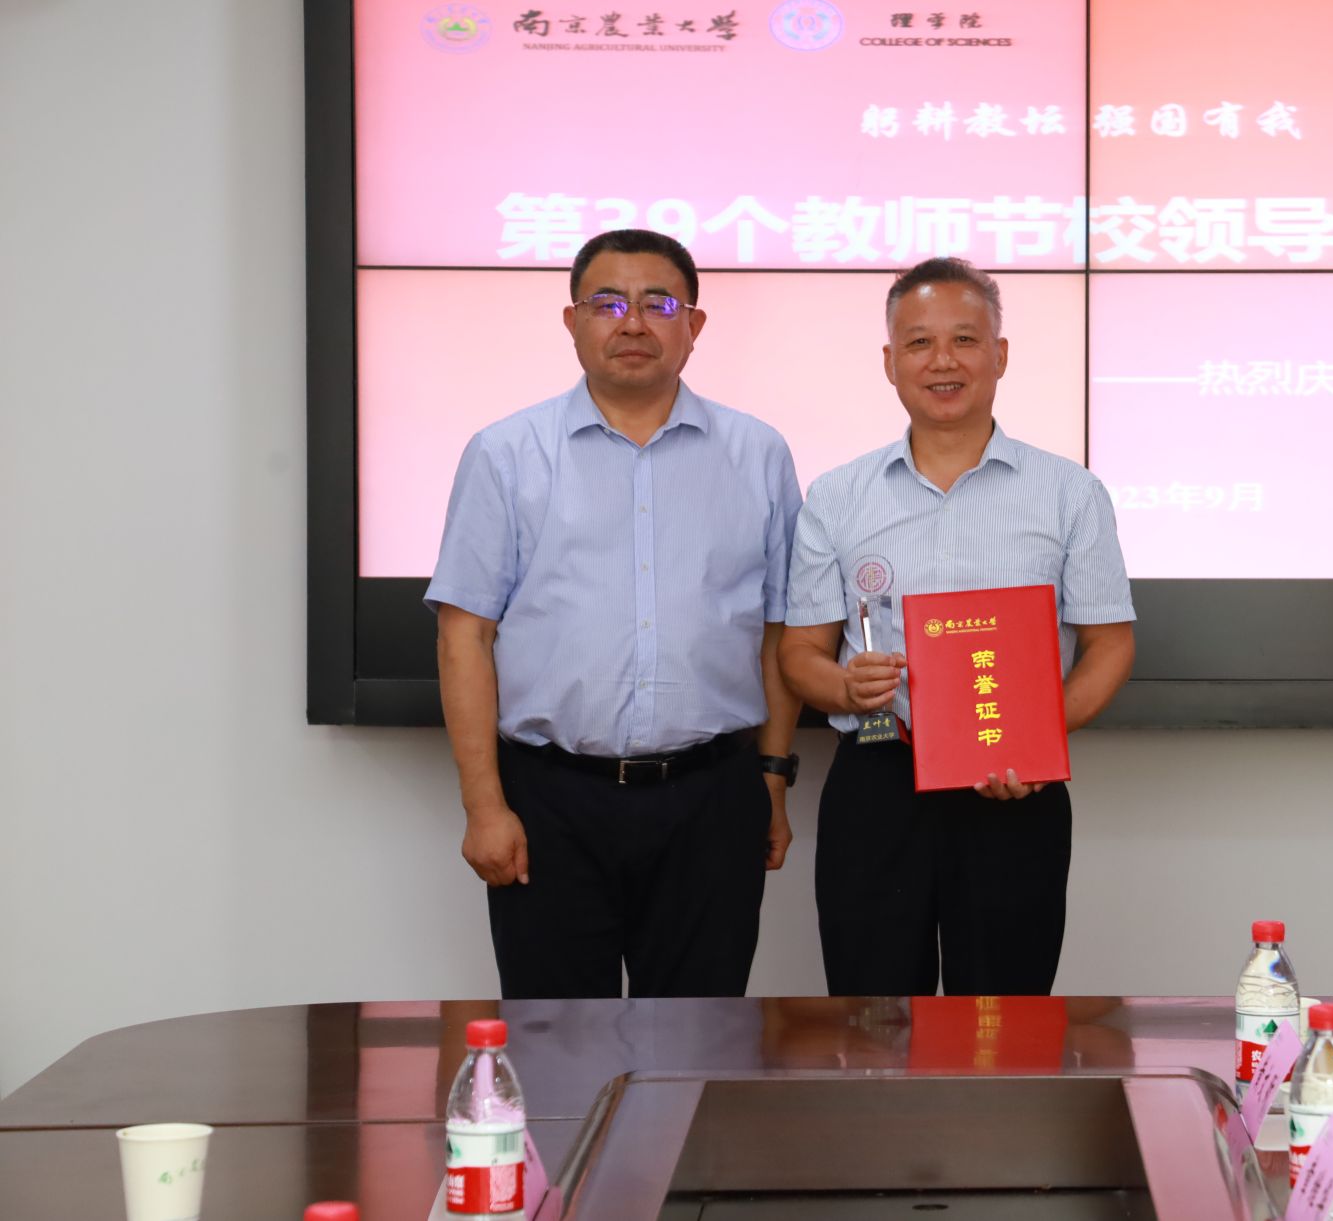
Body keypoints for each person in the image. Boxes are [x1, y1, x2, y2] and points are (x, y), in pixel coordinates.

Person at [425, 228, 802, 998]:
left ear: (694, 325)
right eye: (608, 303)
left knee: (699, 1043)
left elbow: (779, 630)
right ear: (573, 322)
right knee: (557, 1041)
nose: (633, 322)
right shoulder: (506, 453)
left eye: (659, 303)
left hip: (712, 797)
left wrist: (771, 776)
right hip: (550, 798)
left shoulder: (758, 453)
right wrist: (484, 803)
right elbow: (465, 633)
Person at [779, 257, 1136, 996]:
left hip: (1016, 789)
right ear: (890, 362)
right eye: (919, 343)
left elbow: (1109, 644)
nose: (943, 361)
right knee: (873, 1018)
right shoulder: (837, 496)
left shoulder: (1069, 493)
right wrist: (844, 685)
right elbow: (801, 652)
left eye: (965, 339)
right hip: (877, 779)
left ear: (999, 355)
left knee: (1003, 1019)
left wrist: (1037, 741)